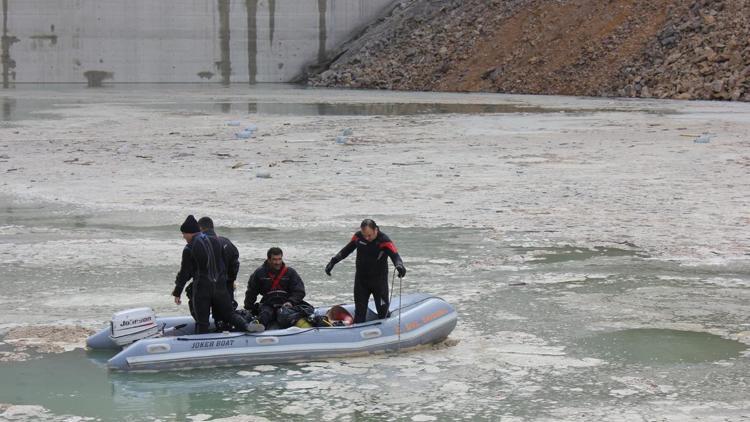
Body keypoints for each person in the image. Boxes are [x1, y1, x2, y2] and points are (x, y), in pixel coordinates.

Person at [172, 215, 261, 334]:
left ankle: (201, 346)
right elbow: (226, 263)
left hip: (202, 288)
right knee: (229, 314)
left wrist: (177, 292)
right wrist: (228, 281)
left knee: (202, 321)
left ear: (190, 233)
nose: (183, 237)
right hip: (220, 287)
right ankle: (247, 326)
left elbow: (185, 272)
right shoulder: (218, 241)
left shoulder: (189, 248)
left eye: (184, 234)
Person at [324, 219, 406, 324]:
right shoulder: (358, 237)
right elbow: (346, 250)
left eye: (369, 235)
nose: (367, 238)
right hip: (361, 282)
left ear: (376, 230)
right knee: (359, 313)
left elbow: (395, 256)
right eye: (365, 235)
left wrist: (399, 266)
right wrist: (333, 262)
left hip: (379, 283)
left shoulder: (384, 241)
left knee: (383, 312)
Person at [244, 247, 306, 329]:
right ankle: (257, 328)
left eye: (279, 259)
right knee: (264, 316)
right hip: (268, 304)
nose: (277, 262)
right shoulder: (259, 273)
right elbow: (251, 292)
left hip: (287, 304)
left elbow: (299, 291)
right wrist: (248, 308)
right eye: (274, 259)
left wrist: (291, 302)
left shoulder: (290, 272)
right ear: (268, 259)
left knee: (287, 315)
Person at [198, 216, 240, 310]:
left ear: (200, 228)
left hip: (209, 286)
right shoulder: (226, 242)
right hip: (226, 284)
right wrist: (231, 280)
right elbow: (235, 263)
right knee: (228, 312)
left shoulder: (201, 244)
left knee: (202, 313)